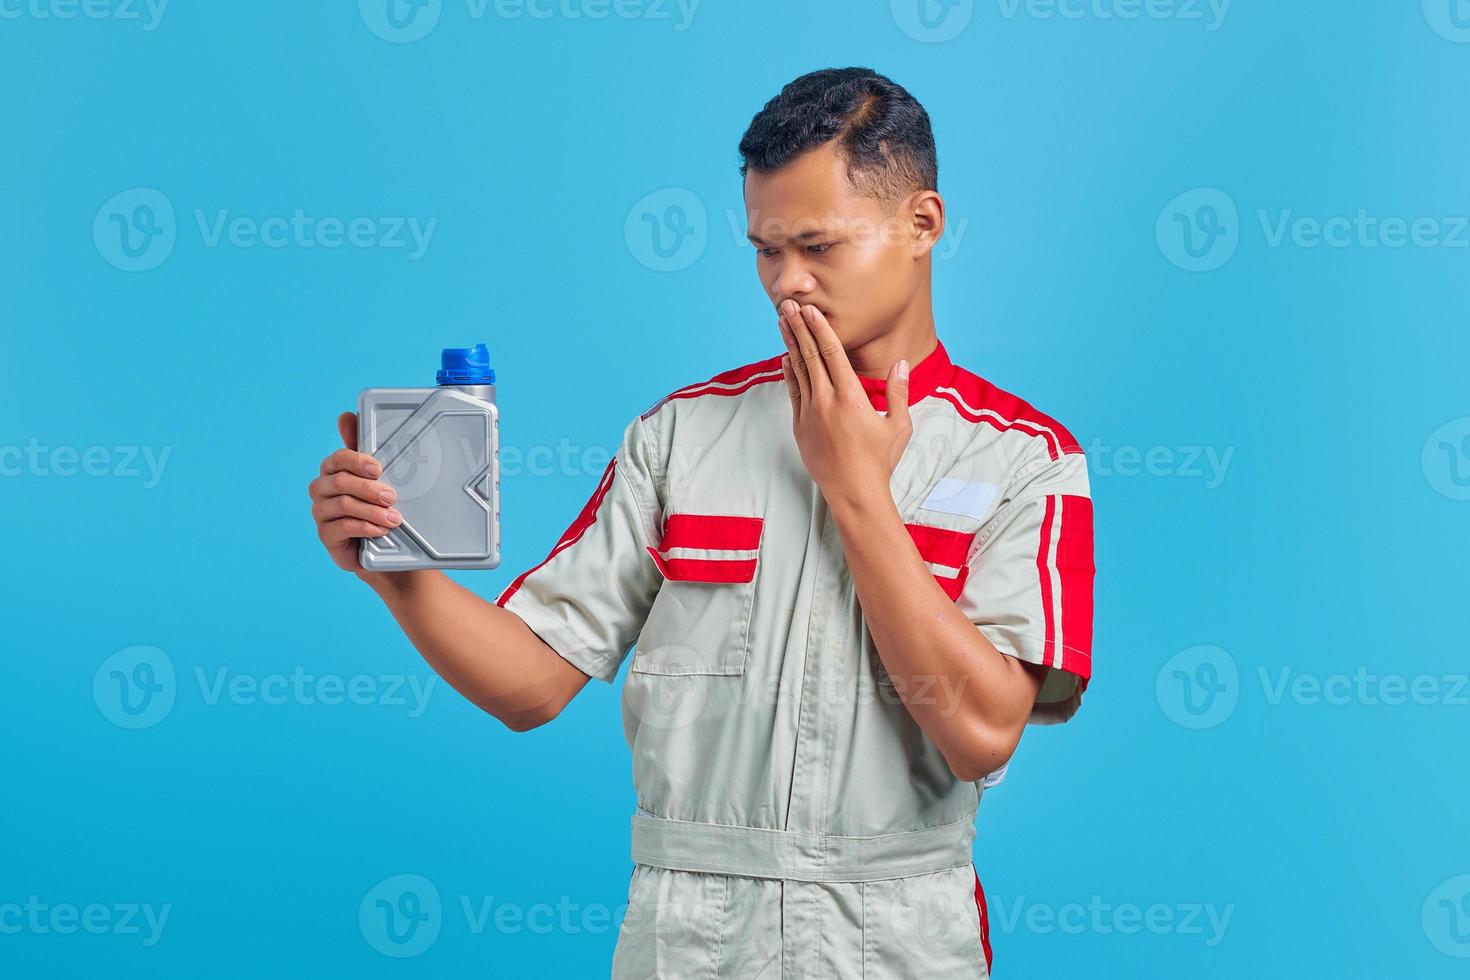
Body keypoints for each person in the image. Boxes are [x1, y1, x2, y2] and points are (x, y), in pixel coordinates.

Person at [307, 66, 1094, 978]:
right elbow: (531, 685)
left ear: (923, 225)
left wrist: (858, 491)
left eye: (819, 246)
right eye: (765, 250)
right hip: (689, 936)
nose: (786, 284)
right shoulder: (683, 435)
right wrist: (396, 572)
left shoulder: (1024, 457)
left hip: (897, 936)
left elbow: (981, 733)